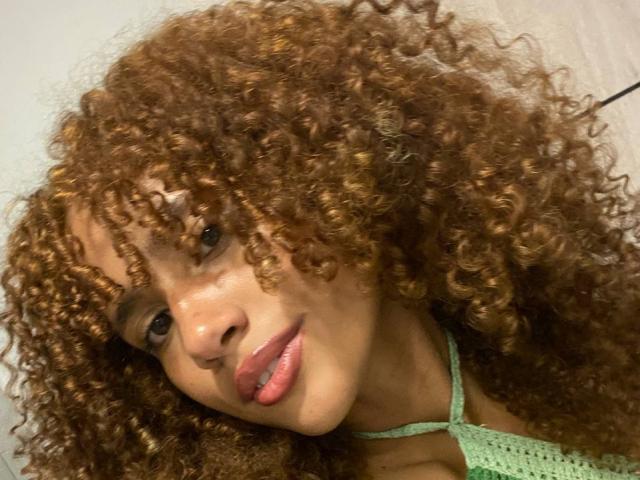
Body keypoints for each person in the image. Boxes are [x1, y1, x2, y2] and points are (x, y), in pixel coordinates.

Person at [1, 0, 639, 478]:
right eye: (156, 327)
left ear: (329, 173)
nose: (198, 335)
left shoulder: (579, 332)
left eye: (208, 236)